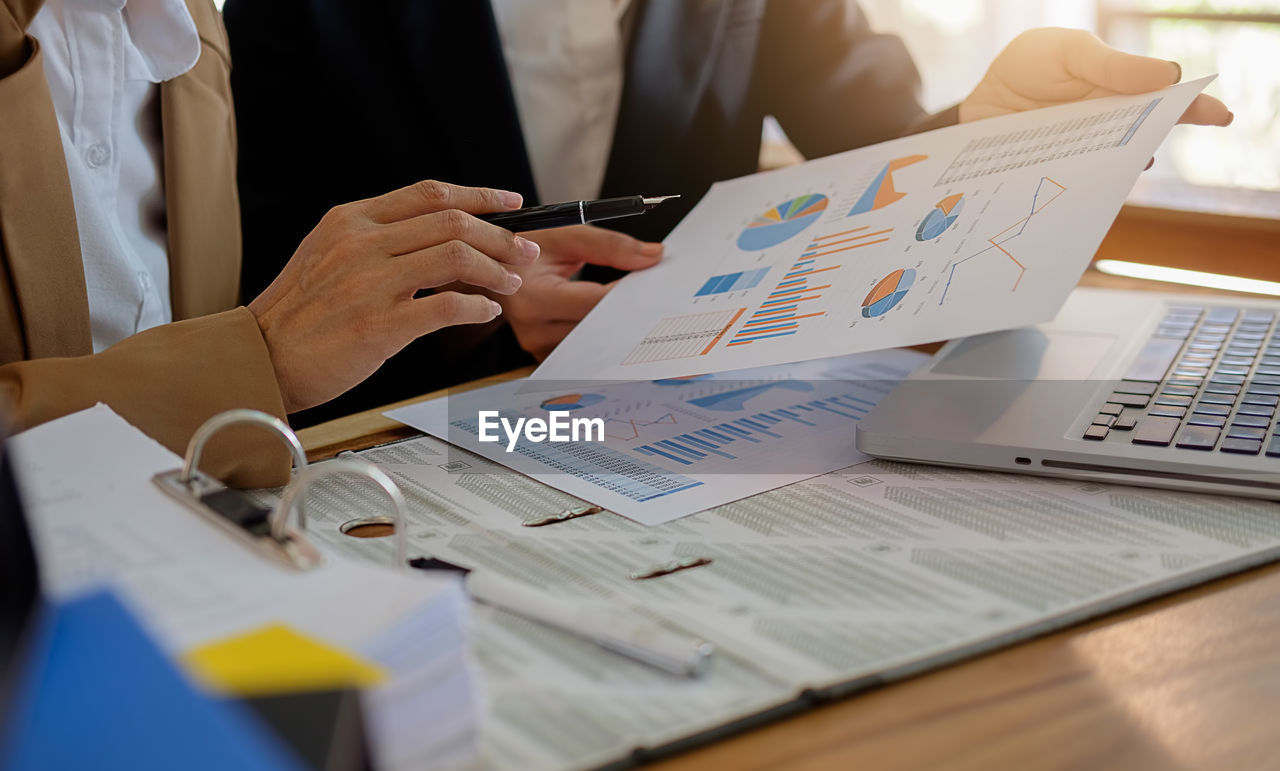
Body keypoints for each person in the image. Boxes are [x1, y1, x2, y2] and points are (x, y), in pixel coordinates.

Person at [224, 0, 1230, 424]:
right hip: (419, 436)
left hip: (693, 419)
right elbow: (262, 280)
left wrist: (994, 132)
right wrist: (471, 313)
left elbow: (883, 159)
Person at [0, 0, 661, 485]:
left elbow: (207, 319)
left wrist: (451, 294)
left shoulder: (188, 25)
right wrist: (257, 358)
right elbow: (249, 343)